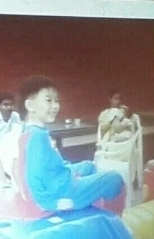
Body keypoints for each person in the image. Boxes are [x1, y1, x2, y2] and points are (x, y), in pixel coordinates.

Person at [17, 76, 125, 213]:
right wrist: (51, 203)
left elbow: (49, 164)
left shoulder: (32, 131)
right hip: (63, 191)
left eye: (56, 101)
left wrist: (69, 170)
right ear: (30, 106)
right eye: (49, 100)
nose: (55, 106)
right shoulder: (37, 136)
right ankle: (114, 217)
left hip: (60, 181)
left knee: (88, 166)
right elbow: (31, 174)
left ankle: (91, 203)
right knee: (115, 178)